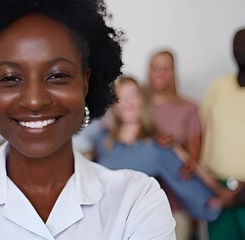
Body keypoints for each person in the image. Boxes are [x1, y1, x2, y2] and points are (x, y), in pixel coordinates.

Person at [0, 0, 177, 239]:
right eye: (10, 78)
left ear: (85, 83)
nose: (35, 100)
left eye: (57, 75)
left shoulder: (136, 200)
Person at [80, 76, 235, 219]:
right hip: (101, 222)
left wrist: (215, 198)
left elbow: (185, 174)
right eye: (122, 97)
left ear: (142, 100)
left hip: (137, 222)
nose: (128, 102)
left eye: (133, 95)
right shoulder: (102, 140)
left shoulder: (156, 146)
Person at [146, 50, 203, 240]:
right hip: (140, 203)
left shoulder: (189, 108)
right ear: (149, 71)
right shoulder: (135, 107)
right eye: (155, 68)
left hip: (177, 205)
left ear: (173, 72)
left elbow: (193, 163)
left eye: (165, 69)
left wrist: (173, 149)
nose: (159, 74)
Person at [201, 28, 245, 240]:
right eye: (237, 47)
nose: (241, 51)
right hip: (218, 190)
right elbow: (203, 128)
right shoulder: (218, 86)